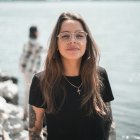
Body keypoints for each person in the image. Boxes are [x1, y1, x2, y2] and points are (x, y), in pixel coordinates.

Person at [29, 12, 115, 140]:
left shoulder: (100, 75)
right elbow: (35, 132)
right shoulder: (41, 81)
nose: (73, 40)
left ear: (87, 42)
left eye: (79, 35)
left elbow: (109, 124)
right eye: (65, 36)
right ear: (56, 43)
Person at [19, 26, 43, 119]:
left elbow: (23, 57)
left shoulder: (27, 43)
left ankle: (25, 113)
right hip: (32, 72)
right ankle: (29, 115)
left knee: (27, 92)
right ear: (35, 33)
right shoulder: (36, 44)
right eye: (38, 31)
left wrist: (22, 67)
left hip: (27, 71)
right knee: (32, 93)